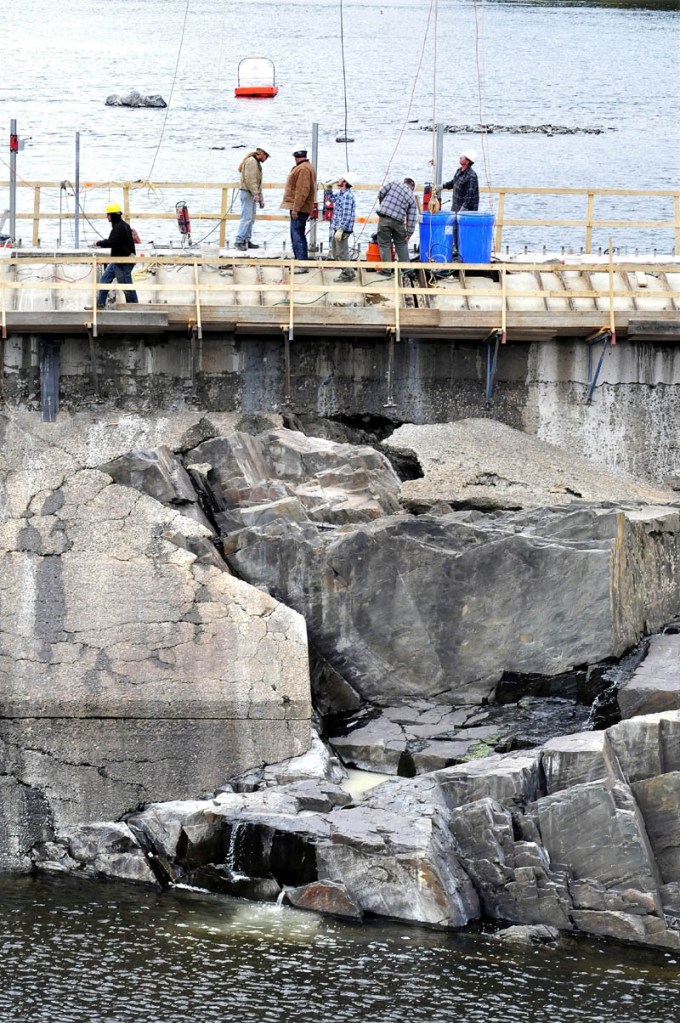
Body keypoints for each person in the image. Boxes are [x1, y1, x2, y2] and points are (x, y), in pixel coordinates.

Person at [94, 203, 138, 307]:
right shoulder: (123, 226)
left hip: (124, 262)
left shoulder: (119, 228)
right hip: (118, 261)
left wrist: (98, 243)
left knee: (127, 287)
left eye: (108, 214)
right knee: (104, 281)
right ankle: (100, 305)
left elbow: (111, 242)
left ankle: (135, 307)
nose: (107, 217)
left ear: (113, 215)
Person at [281, 147, 317, 272]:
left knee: (297, 234)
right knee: (297, 233)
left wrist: (296, 208)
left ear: (296, 156)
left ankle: (301, 263)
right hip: (301, 206)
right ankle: (300, 261)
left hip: (300, 207)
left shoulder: (303, 169)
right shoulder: (306, 167)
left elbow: (302, 191)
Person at [441, 149, 479, 256]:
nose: (460, 157)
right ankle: (457, 249)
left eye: (462, 157)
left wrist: (464, 209)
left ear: (467, 161)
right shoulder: (459, 171)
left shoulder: (471, 176)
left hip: (466, 210)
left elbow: (470, 194)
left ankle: (464, 252)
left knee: (463, 230)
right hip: (456, 206)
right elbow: (454, 182)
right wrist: (442, 186)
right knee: (454, 229)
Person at [376, 177, 418, 274]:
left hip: (384, 217)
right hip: (398, 221)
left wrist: (384, 205)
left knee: (384, 244)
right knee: (401, 244)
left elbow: (381, 193)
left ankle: (386, 270)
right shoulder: (411, 197)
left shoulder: (395, 183)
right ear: (412, 186)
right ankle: (407, 270)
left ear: (404, 182)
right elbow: (411, 217)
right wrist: (409, 233)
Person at [234, 147, 269, 250]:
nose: (266, 159)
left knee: (251, 218)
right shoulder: (252, 162)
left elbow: (257, 183)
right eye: (266, 156)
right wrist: (256, 193)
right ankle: (239, 240)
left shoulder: (255, 162)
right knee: (246, 217)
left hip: (251, 193)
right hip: (247, 192)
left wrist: (260, 198)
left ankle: (246, 240)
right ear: (262, 153)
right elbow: (250, 179)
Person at [325, 173, 356, 282]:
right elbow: (331, 198)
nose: (338, 179)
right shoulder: (341, 194)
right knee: (336, 251)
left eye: (341, 179)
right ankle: (349, 271)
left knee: (341, 252)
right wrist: (328, 188)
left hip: (342, 229)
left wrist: (341, 229)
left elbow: (346, 215)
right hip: (337, 227)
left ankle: (347, 274)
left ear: (345, 182)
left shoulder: (347, 196)